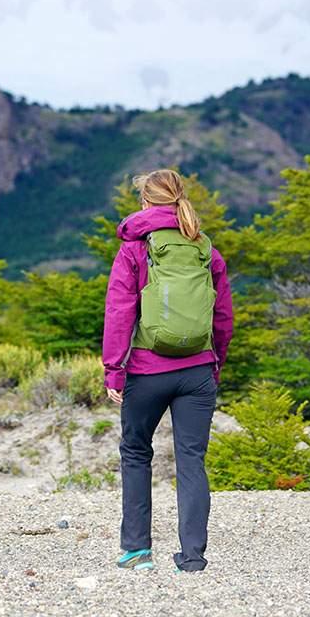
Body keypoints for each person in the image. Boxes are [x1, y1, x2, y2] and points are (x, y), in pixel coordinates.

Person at [101, 169, 234, 572]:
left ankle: (138, 551)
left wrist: (114, 369)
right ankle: (192, 557)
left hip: (146, 369)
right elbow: (223, 316)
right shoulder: (205, 250)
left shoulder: (134, 249)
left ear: (145, 202)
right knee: (192, 459)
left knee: (136, 452)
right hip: (197, 370)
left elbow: (120, 311)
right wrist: (215, 363)